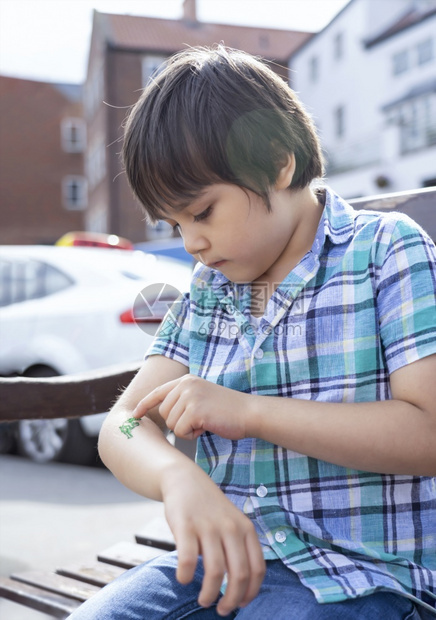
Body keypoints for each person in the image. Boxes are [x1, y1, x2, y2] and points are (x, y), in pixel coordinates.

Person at [68, 46, 436, 619]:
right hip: (220, 566)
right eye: (174, 224)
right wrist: (178, 480)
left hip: (361, 577)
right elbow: (123, 424)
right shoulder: (209, 288)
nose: (190, 242)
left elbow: (429, 433)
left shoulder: (386, 249)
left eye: (203, 212)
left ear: (276, 161)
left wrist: (250, 412)